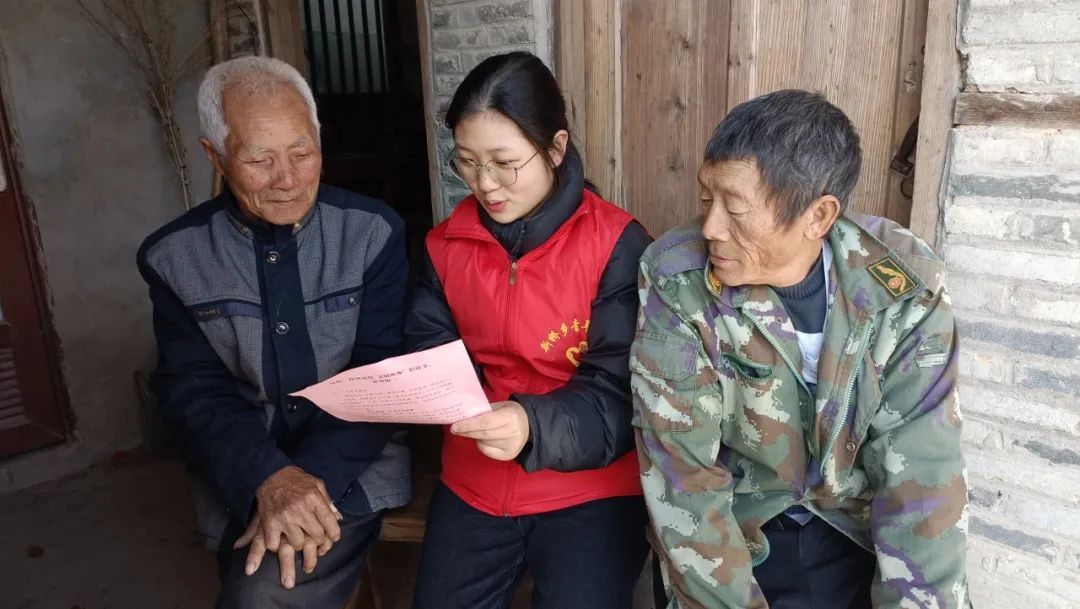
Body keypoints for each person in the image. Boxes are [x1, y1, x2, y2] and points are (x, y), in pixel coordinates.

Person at [631, 90, 969, 609]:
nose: (711, 228)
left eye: (735, 208)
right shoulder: (678, 279)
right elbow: (683, 480)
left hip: (852, 529)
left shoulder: (902, 284)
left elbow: (924, 475)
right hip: (739, 531)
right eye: (706, 200)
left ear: (818, 215)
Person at [136, 56, 411, 608]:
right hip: (244, 465)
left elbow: (382, 377)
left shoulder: (372, 233)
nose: (287, 179)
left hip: (352, 463)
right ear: (215, 155)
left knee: (261, 593)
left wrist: (306, 486)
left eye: (302, 152)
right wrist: (269, 477)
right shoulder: (173, 257)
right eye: (259, 159)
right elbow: (194, 391)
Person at [406, 51, 651, 609]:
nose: (485, 184)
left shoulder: (617, 244)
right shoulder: (444, 247)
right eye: (467, 162)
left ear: (556, 148)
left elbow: (626, 391)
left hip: (590, 484)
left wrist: (531, 424)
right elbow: (430, 349)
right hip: (474, 476)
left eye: (504, 162)